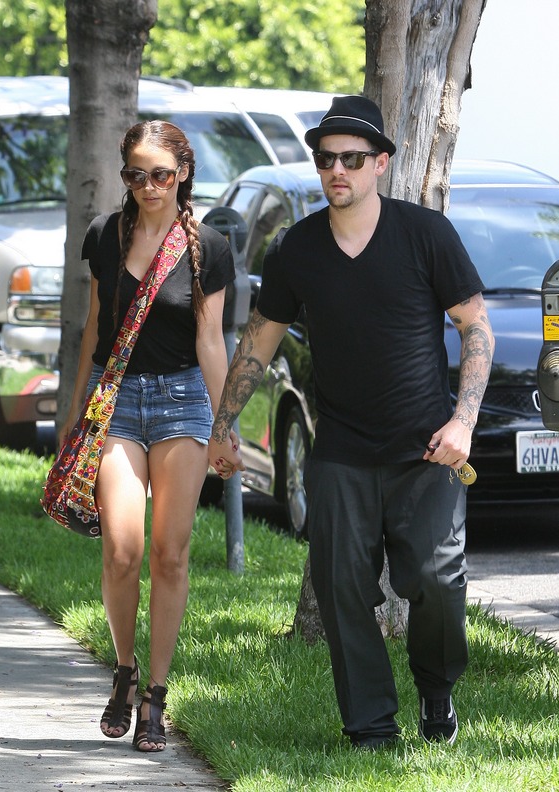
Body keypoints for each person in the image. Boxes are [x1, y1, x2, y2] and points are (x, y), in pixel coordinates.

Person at [209, 95, 495, 749]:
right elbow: (259, 342)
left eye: (353, 158)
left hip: (426, 449)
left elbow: (474, 325)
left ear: (381, 164)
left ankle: (437, 692)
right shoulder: (296, 250)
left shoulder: (426, 235)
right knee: (343, 592)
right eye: (327, 158)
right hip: (338, 450)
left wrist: (464, 422)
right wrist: (224, 426)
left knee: (435, 581)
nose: (338, 169)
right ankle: (370, 725)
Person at [59, 120, 235, 752]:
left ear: (182, 173)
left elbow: (210, 341)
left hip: (184, 400)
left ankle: (157, 695)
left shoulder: (207, 247)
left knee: (170, 553)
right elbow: (94, 328)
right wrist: (75, 411)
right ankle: (124, 672)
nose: (147, 185)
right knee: (122, 549)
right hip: (119, 402)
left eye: (160, 173)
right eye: (135, 174)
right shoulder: (106, 235)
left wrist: (224, 425)